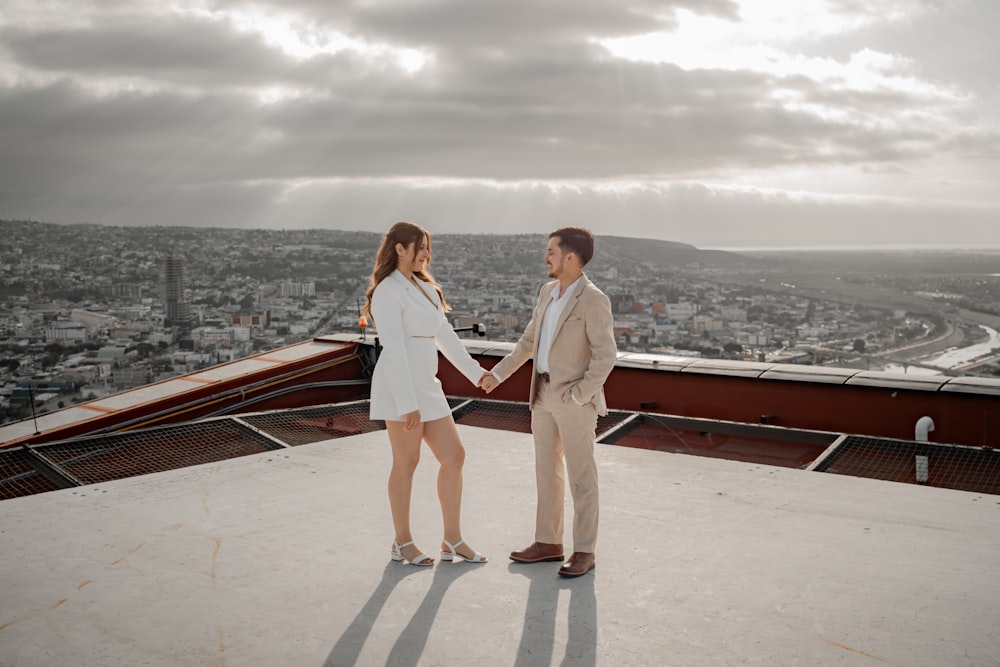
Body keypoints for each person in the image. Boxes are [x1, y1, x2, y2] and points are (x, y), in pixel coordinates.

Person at [482, 226, 616, 577]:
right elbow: (528, 342)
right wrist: (496, 375)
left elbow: (606, 355)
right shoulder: (547, 292)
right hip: (541, 395)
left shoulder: (592, 299)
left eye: (551, 252)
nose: (546, 257)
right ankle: (548, 542)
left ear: (570, 258)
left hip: (573, 400)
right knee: (547, 472)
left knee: (581, 478)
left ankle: (584, 550)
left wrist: (580, 395)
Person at [365, 221, 490, 566]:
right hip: (398, 387)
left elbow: (445, 337)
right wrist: (407, 404)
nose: (425, 254)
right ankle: (402, 542)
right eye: (419, 247)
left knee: (454, 456)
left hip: (428, 386)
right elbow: (392, 348)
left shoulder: (427, 289)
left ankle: (452, 540)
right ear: (399, 249)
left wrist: (478, 375)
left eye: (427, 248)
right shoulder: (386, 291)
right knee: (406, 463)